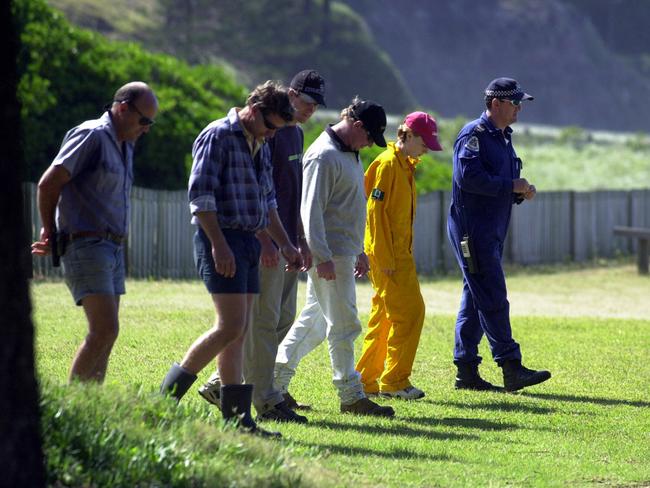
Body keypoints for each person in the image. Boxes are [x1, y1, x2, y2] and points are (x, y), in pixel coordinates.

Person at [159, 81, 302, 437]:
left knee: (239, 333)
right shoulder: (218, 135)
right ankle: (163, 400)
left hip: (250, 243)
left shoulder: (262, 144)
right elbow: (200, 196)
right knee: (229, 327)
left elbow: (268, 202)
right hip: (221, 240)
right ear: (254, 110)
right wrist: (219, 245)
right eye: (270, 126)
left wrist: (286, 244)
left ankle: (238, 421)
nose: (272, 136)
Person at [197, 70, 326, 424]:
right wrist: (266, 240)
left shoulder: (294, 133)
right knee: (261, 324)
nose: (311, 110)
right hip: (261, 242)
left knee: (278, 320)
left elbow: (286, 195)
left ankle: (220, 384)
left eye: (317, 105)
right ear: (291, 94)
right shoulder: (262, 132)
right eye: (308, 102)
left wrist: (298, 240)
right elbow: (249, 197)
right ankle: (267, 399)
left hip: (283, 242)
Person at [274, 98, 395, 417]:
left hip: (342, 252)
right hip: (328, 255)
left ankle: (274, 382)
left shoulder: (348, 153)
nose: (370, 144)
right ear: (356, 126)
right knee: (344, 325)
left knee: (314, 324)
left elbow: (348, 207)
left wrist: (358, 249)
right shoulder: (323, 155)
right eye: (369, 136)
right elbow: (309, 210)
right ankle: (351, 395)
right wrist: (321, 256)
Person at [31, 81, 158, 383]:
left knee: (108, 335)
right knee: (103, 330)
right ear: (123, 108)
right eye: (144, 120)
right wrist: (51, 230)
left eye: (151, 123)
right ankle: (74, 409)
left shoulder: (125, 144)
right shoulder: (92, 135)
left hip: (112, 248)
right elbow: (49, 183)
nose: (147, 129)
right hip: (87, 244)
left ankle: (93, 406)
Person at [447, 77, 551, 391]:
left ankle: (466, 372)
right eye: (514, 102)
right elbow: (469, 179)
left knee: (474, 297)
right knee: (492, 294)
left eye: (521, 103)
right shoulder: (474, 135)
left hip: (491, 228)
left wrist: (518, 191)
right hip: (473, 231)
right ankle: (510, 365)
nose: (519, 108)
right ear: (495, 104)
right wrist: (510, 186)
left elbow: (495, 183)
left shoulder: (503, 137)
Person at [355, 111, 443, 400]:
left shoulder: (404, 165)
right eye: (424, 141)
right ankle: (394, 381)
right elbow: (374, 214)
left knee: (384, 318)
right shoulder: (388, 165)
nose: (427, 148)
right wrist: (385, 259)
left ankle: (367, 381)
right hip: (389, 256)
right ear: (408, 135)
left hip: (395, 254)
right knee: (410, 313)